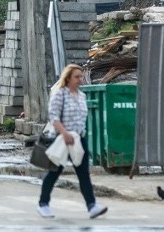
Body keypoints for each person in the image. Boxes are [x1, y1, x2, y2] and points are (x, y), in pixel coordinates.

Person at [37, 64, 107, 221]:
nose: (80, 80)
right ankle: (43, 204)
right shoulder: (60, 94)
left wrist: (80, 137)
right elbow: (53, 117)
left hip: (78, 139)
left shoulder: (81, 96)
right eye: (77, 77)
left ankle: (92, 206)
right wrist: (64, 133)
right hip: (62, 139)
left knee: (83, 174)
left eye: (81, 77)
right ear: (68, 78)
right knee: (54, 172)